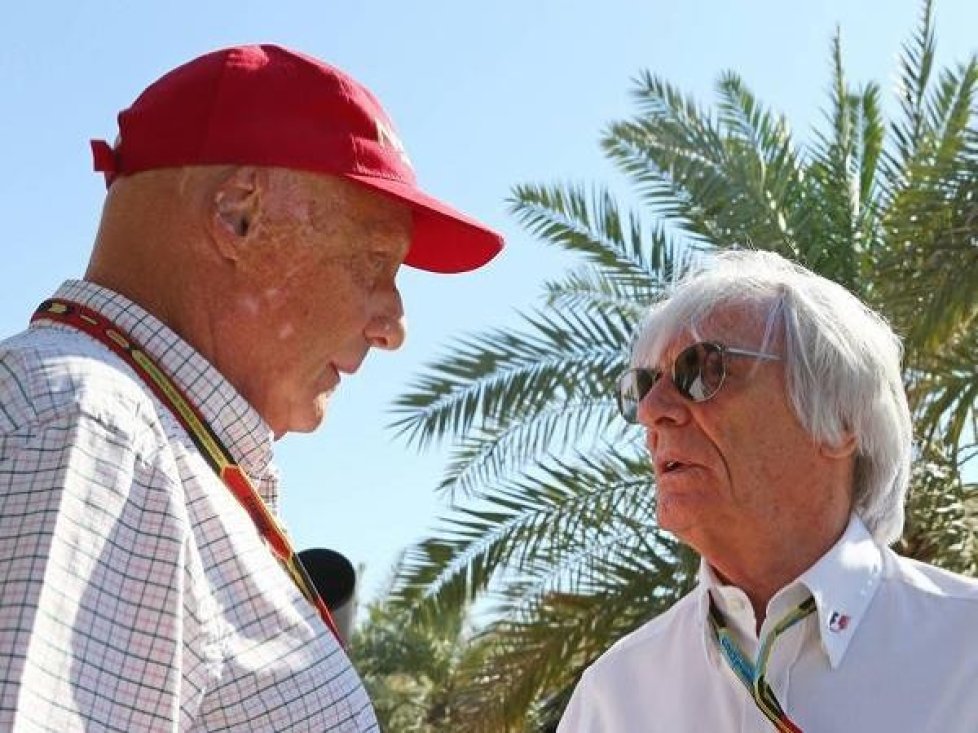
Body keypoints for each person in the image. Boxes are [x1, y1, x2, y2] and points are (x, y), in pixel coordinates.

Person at [0, 44, 502, 731]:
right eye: (375, 261)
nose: (394, 325)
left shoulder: (127, 437)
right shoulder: (94, 428)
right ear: (238, 213)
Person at [558, 250, 978, 732]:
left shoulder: (967, 652)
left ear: (840, 420)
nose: (653, 410)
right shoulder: (614, 697)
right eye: (644, 384)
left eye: (701, 371)